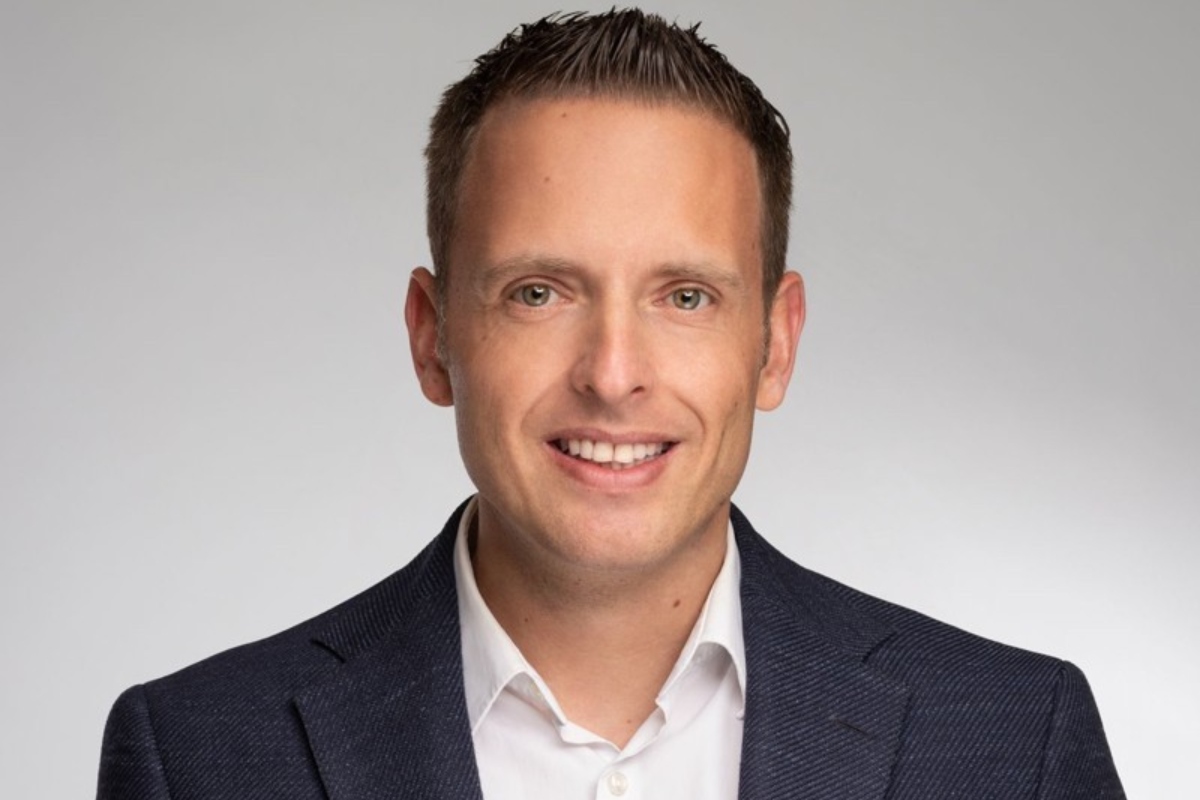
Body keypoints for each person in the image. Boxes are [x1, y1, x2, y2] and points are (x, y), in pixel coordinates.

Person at [96, 9, 1124, 799]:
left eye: (686, 296)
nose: (613, 372)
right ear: (431, 335)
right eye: (539, 292)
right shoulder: (198, 756)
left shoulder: (1013, 743)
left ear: (775, 344)